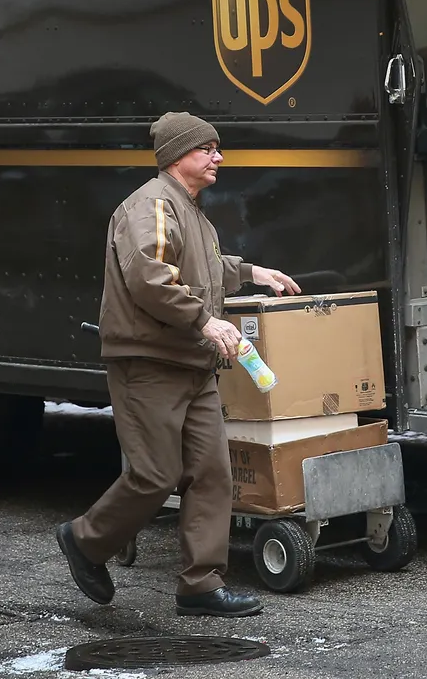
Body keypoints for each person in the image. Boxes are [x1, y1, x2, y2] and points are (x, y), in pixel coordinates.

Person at [55, 110, 299, 617]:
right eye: (207, 149)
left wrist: (255, 272)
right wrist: (206, 323)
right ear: (177, 156)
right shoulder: (150, 206)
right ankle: (85, 541)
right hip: (150, 363)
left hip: (192, 363)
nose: (219, 157)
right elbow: (150, 279)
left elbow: (206, 271)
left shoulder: (191, 212)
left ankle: (200, 585)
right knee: (155, 475)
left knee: (212, 475)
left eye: (217, 148)